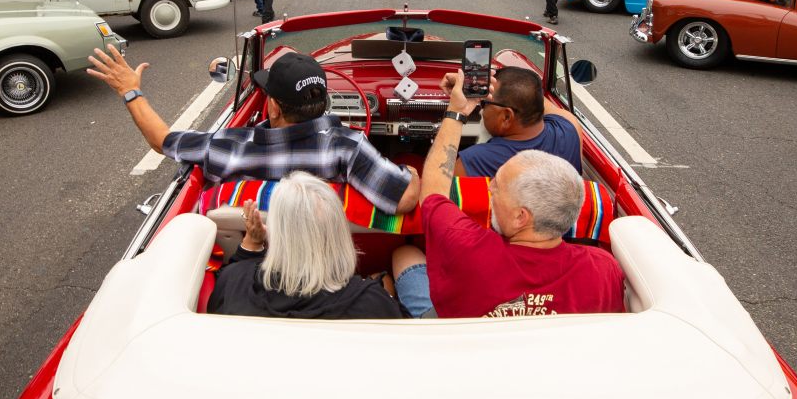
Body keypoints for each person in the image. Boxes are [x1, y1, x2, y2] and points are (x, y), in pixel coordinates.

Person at [389, 70, 624, 319]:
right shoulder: (604, 268)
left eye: (497, 187)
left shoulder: (467, 249)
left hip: (454, 336)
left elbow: (433, 192)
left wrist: (457, 110)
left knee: (403, 253)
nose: (489, 188)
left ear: (521, 217)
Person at [87, 48, 421, 214]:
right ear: (323, 103)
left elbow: (162, 141)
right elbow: (405, 199)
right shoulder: (347, 147)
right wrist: (410, 171)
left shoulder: (228, 147)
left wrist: (131, 91)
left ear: (274, 106)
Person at [208, 173, 408, 319]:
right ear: (338, 233)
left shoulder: (234, 283)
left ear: (278, 234)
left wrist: (252, 242)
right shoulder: (373, 302)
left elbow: (235, 275)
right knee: (390, 273)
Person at [454, 65, 582, 176]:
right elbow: (531, 95)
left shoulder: (474, 161)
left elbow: (436, 191)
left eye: (484, 103)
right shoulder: (569, 128)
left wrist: (454, 112)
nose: (481, 109)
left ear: (506, 117)